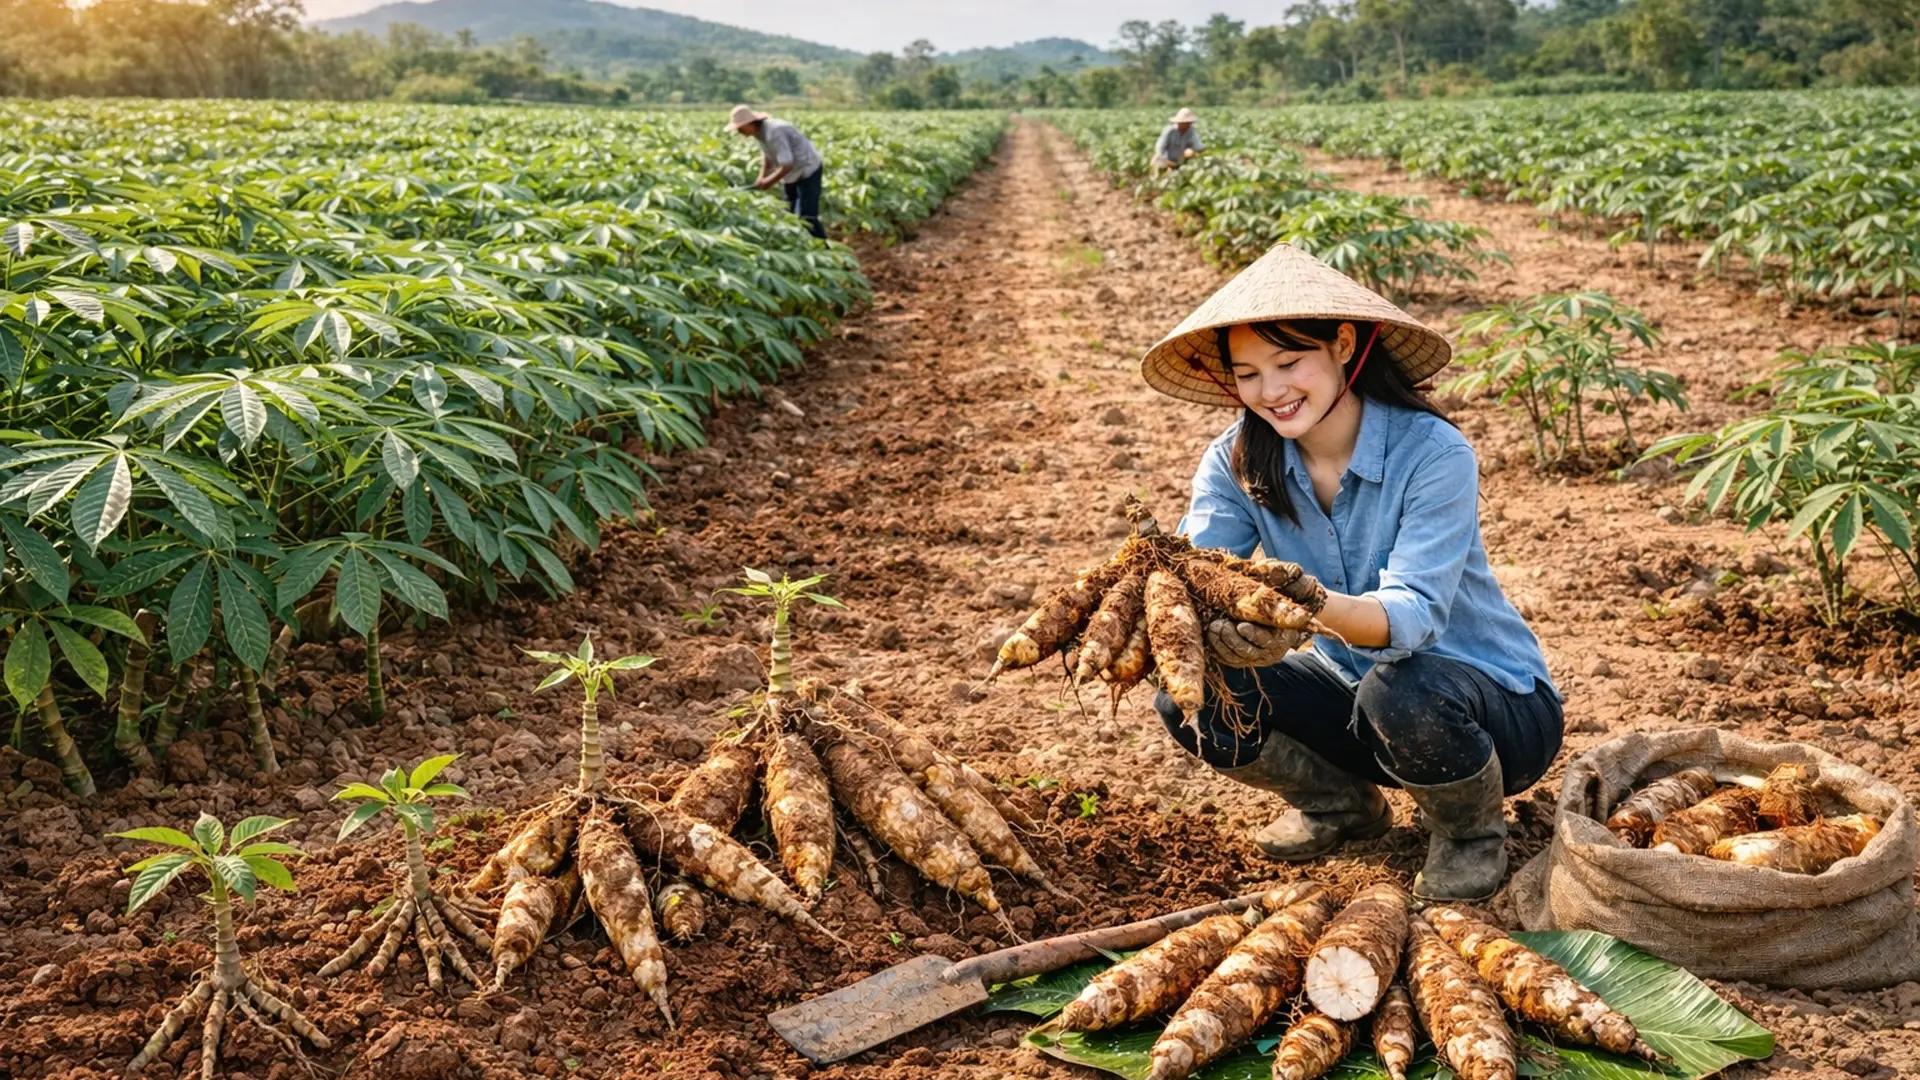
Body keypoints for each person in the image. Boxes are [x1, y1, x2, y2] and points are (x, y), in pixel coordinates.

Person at [1138, 242, 1563, 901]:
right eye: (1248, 374)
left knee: (1399, 688)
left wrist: (1304, 602)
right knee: (1192, 693)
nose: (1271, 391)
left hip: (1491, 712)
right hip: (1358, 697)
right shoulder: (1235, 461)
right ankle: (1342, 807)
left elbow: (1410, 619)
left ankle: (1470, 834)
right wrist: (1174, 599)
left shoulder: (1431, 452)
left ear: (1341, 344)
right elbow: (1195, 574)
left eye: (1288, 361)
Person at [727, 104, 826, 240]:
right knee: (788, 214)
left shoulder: (775, 132)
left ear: (749, 123)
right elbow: (767, 158)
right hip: (791, 173)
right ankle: (798, 247)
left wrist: (769, 182)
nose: (738, 131)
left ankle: (827, 254)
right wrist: (761, 177)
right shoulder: (759, 133)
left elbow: (786, 165)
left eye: (739, 127)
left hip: (807, 168)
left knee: (807, 217)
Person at [1152, 107, 1204, 171]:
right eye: (1186, 122)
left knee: (1190, 154)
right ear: (1180, 122)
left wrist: (1193, 152)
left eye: (1190, 122)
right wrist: (1166, 161)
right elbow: (1160, 148)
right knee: (1158, 164)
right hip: (1166, 160)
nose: (1189, 124)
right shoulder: (1170, 131)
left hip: (1180, 161)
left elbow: (1199, 147)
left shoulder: (1191, 130)